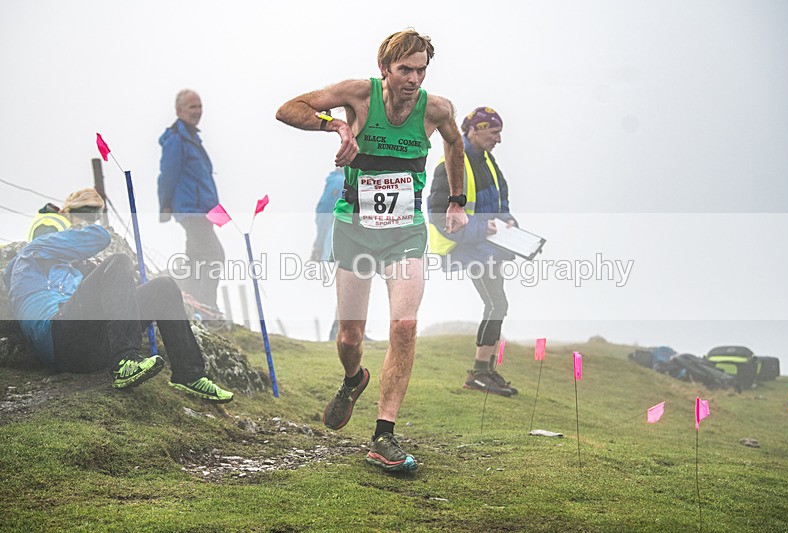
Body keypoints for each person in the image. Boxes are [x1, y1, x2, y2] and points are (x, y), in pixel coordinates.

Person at [276, 29, 467, 472]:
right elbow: (288, 109)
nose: (413, 79)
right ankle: (352, 378)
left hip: (405, 232)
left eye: (421, 70)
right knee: (350, 337)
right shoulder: (359, 95)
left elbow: (454, 142)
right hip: (355, 229)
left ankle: (384, 435)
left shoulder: (436, 109)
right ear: (385, 69)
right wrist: (336, 125)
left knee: (404, 324)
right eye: (405, 70)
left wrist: (456, 200)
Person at [4, 188, 233, 402]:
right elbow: (99, 236)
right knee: (118, 261)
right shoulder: (33, 251)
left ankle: (189, 374)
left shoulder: (58, 273)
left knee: (164, 287)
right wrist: (85, 233)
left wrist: (89, 269)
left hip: (89, 348)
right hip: (58, 339)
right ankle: (125, 361)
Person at [427, 107, 519, 397]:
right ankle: (479, 373)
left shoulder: (488, 160)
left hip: (485, 244)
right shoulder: (451, 164)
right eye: (494, 133)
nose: (499, 140)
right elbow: (440, 219)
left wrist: (508, 222)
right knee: (497, 304)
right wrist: (486, 228)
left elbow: (500, 201)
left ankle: (486, 371)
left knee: (498, 305)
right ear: (474, 130)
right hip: (461, 247)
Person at [157, 89, 225, 312]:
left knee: (196, 257)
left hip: (203, 209)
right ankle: (206, 305)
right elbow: (167, 175)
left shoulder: (192, 137)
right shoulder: (177, 139)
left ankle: (192, 303)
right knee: (214, 255)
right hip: (190, 209)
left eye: (200, 106)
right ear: (179, 111)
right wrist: (164, 206)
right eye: (192, 107)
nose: (198, 111)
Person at [311, 168, 345, 342]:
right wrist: (319, 244)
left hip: (344, 239)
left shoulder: (341, 180)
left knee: (352, 284)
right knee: (348, 284)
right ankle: (339, 331)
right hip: (340, 240)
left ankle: (342, 330)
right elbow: (323, 214)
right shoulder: (339, 182)